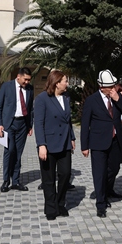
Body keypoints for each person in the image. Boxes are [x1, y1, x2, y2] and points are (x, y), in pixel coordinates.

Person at [80, 69, 122, 218]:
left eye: (113, 85)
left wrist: (118, 100)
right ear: (101, 86)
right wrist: (84, 146)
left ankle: (106, 190)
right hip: (98, 142)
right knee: (99, 173)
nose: (112, 88)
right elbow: (85, 124)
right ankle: (101, 204)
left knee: (114, 169)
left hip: (115, 141)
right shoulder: (91, 100)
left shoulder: (116, 98)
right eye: (109, 86)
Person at [33, 70, 76, 221]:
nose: (67, 83)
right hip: (48, 144)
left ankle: (60, 203)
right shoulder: (42, 99)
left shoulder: (66, 97)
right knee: (49, 178)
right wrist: (41, 145)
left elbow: (68, 121)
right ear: (57, 83)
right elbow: (38, 123)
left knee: (65, 174)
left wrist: (72, 137)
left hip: (64, 142)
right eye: (65, 81)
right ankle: (51, 208)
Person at [0, 67, 34, 192]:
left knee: (18, 153)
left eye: (29, 80)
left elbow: (30, 109)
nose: (27, 82)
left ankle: (16, 181)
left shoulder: (30, 89)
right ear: (18, 76)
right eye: (25, 79)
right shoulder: (6, 87)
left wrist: (30, 125)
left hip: (22, 125)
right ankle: (6, 180)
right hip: (9, 124)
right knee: (9, 151)